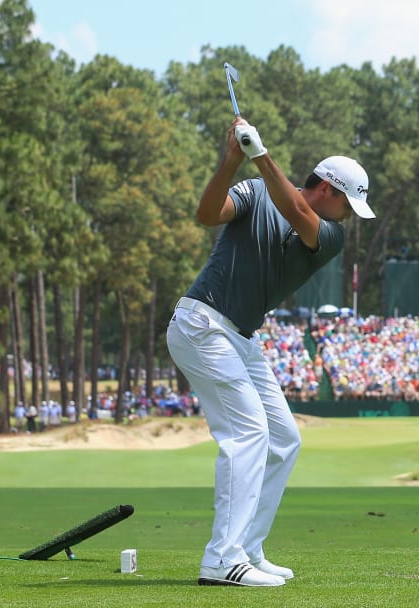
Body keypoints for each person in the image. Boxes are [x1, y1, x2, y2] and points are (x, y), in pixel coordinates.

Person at [166, 117, 375, 588]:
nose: (348, 215)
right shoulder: (255, 192)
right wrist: (231, 162)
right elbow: (207, 213)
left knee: (284, 438)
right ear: (328, 188)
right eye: (348, 204)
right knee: (249, 432)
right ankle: (221, 559)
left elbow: (300, 215)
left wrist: (260, 155)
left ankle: (246, 547)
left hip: (240, 335)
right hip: (201, 323)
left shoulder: (329, 234)